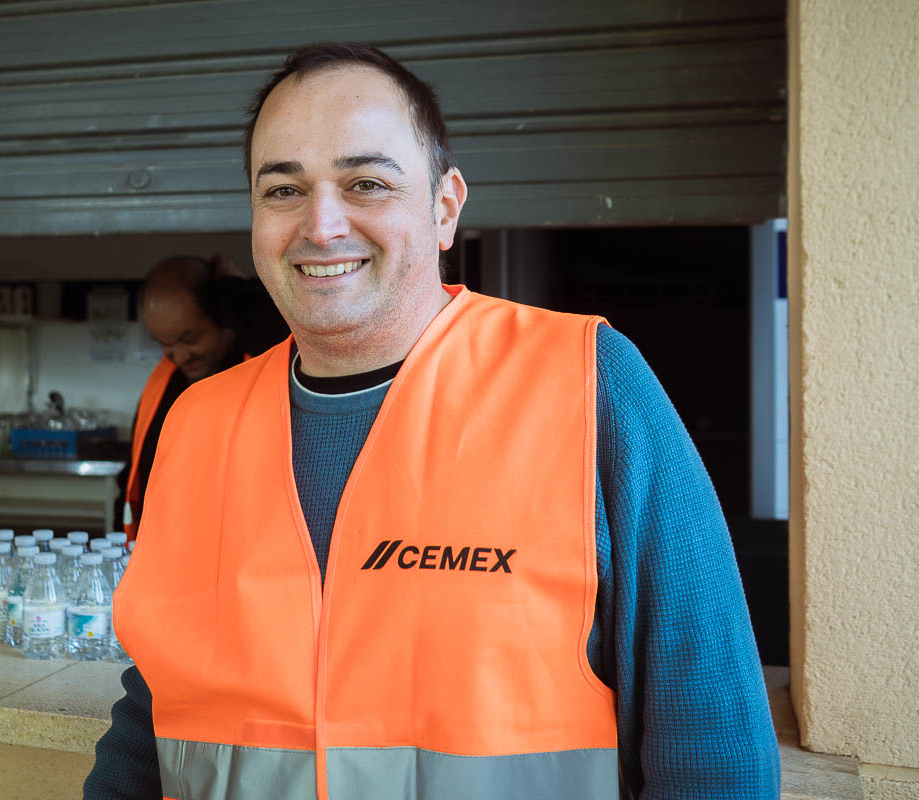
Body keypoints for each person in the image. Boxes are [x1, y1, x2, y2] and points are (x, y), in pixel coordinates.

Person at [89, 43, 780, 799]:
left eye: (366, 183)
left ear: (444, 207)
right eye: (283, 190)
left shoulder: (588, 384)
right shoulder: (199, 424)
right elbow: (157, 702)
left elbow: (710, 740)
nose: (322, 225)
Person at [120, 255, 287, 539]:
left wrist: (235, 292)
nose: (179, 356)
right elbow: (135, 475)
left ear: (225, 322)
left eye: (190, 339)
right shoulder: (164, 383)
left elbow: (282, 335)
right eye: (164, 343)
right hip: (166, 549)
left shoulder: (268, 370)